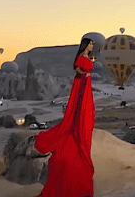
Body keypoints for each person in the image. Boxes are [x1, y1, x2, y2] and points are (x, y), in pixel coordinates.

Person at [33, 37, 96, 197]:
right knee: (80, 113)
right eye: (90, 44)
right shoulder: (82, 57)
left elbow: (81, 70)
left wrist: (86, 73)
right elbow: (78, 69)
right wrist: (85, 75)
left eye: (92, 44)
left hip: (84, 85)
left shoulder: (86, 58)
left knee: (86, 114)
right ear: (84, 45)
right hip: (82, 86)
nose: (91, 46)